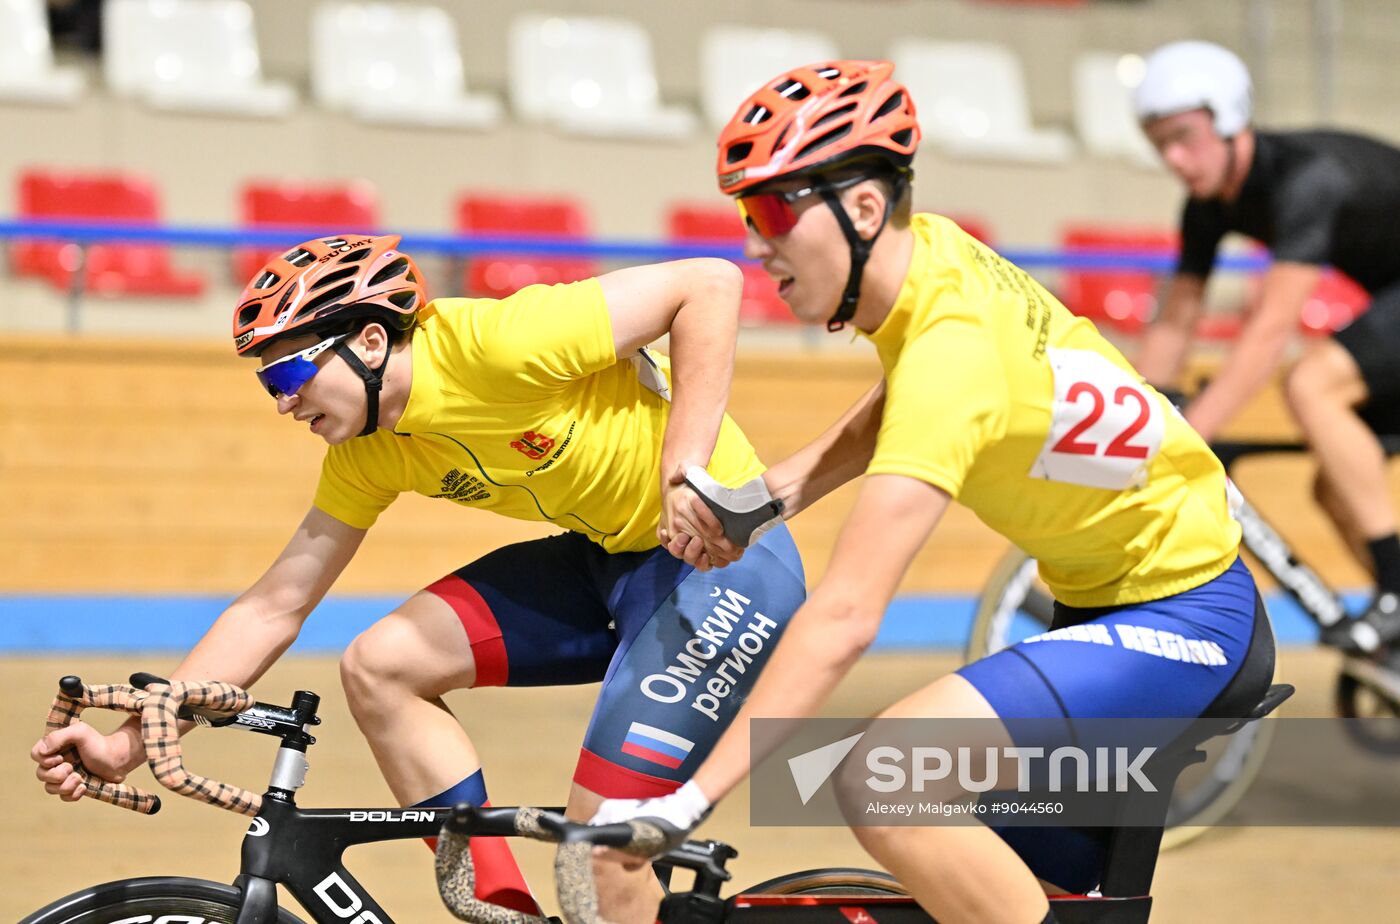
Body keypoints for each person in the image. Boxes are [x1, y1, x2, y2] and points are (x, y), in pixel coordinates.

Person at [589, 60, 1275, 924]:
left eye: (770, 211)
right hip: (1111, 604)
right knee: (1013, 891)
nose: (755, 245)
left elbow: (844, 619)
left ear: (865, 209)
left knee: (884, 780)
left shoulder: (952, 360)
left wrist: (686, 803)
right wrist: (768, 498)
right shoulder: (936, 257)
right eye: (744, 214)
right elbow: (898, 400)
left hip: (1183, 620)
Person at [30, 234, 806, 924]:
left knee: (597, 856)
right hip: (609, 562)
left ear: (370, 340)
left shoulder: (498, 345)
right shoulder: (368, 450)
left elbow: (708, 282)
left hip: (722, 567)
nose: (283, 402)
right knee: (379, 666)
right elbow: (274, 605)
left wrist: (686, 472)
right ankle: (502, 908)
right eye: (269, 385)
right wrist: (130, 744)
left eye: (291, 371)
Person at [1130, 40, 1400, 654]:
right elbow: (1178, 318)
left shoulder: (1308, 181)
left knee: (1310, 384)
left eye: (1184, 136)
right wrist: (1132, 410)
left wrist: (1184, 440)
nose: (1175, 158)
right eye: (1158, 143)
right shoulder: (1206, 205)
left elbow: (1268, 334)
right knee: (1334, 488)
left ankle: (1395, 594)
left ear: (1228, 119)